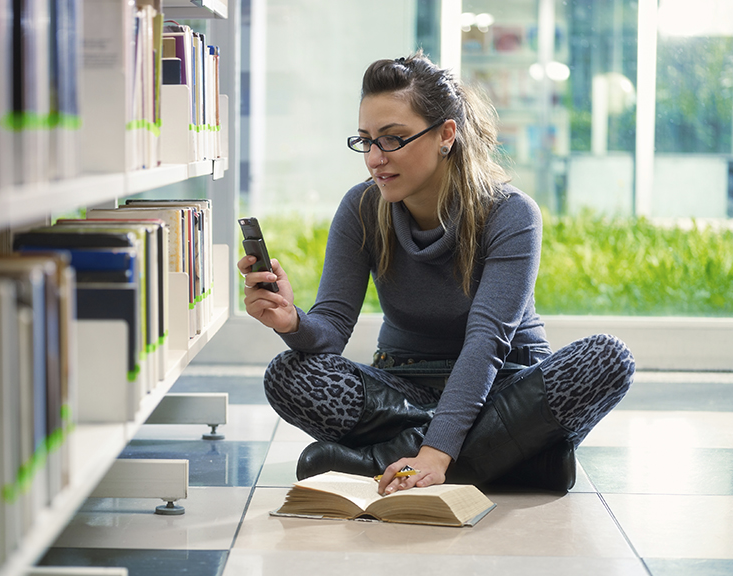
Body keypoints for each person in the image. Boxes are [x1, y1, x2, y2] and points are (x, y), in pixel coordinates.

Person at [237, 51, 635, 497]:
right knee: (289, 376)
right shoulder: (362, 207)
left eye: (392, 139)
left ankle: (383, 459)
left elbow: (486, 342)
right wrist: (291, 320)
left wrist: (435, 453)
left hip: (505, 385)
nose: (374, 158)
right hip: (404, 390)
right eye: (365, 140)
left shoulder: (511, 214)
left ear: (447, 134)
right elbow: (330, 331)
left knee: (608, 358)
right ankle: (519, 461)